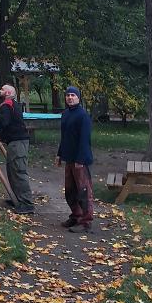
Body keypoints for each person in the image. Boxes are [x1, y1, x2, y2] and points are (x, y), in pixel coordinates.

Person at [0, 84, 34, 214]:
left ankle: (27, 204)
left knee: (18, 171)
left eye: (2, 89)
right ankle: (19, 199)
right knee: (13, 171)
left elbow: (2, 123)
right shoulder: (11, 104)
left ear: (7, 93)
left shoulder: (7, 105)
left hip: (18, 143)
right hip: (15, 142)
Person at [56, 85, 94, 233]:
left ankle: (86, 221)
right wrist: (59, 154)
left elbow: (85, 139)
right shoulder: (65, 114)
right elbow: (64, 137)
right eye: (68, 95)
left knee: (83, 191)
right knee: (70, 191)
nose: (70, 98)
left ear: (78, 98)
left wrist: (81, 159)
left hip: (80, 161)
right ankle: (76, 216)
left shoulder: (83, 115)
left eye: (73, 95)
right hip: (68, 158)